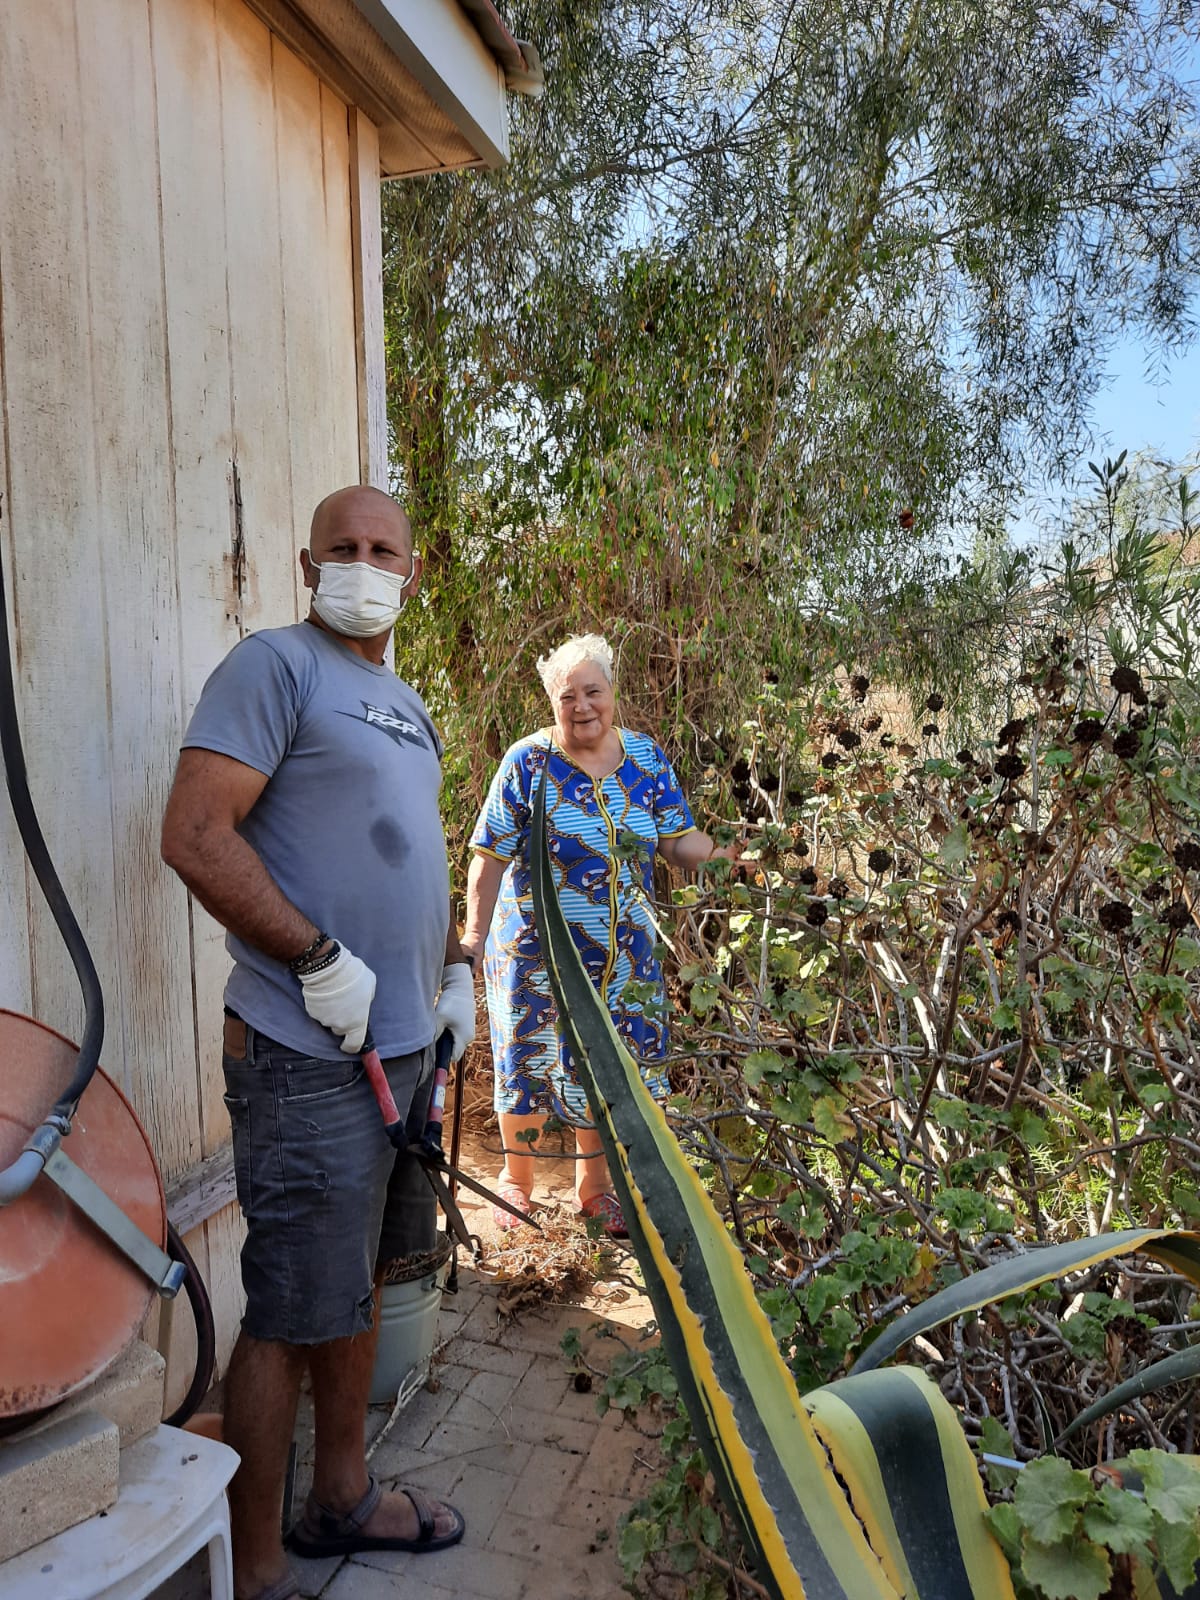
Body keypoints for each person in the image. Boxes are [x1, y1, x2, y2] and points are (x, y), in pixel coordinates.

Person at [161, 485, 475, 1600]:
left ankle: (340, 1496)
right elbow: (195, 834)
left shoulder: (403, 701)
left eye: (381, 548)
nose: (362, 561)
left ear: (412, 572)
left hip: (401, 1052)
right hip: (303, 1050)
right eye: (341, 546)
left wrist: (452, 975)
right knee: (291, 1308)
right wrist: (315, 956)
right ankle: (255, 1574)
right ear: (308, 564)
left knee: (358, 1285)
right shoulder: (276, 668)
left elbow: (420, 852)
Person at [459, 633, 736, 1239]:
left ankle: (594, 1190)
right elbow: (488, 855)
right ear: (551, 704)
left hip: (624, 958)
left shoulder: (645, 759)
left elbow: (675, 840)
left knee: (606, 1069)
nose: (582, 706)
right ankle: (518, 1184)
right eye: (568, 696)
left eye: (593, 692)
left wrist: (725, 860)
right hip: (535, 955)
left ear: (614, 693)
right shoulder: (526, 762)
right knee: (528, 1063)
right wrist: (473, 936)